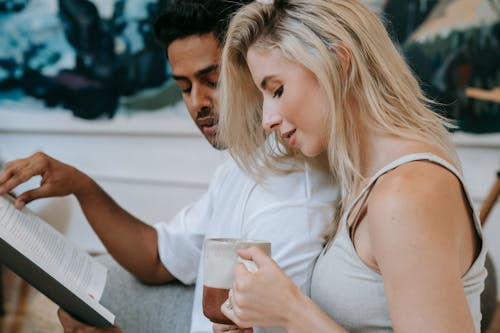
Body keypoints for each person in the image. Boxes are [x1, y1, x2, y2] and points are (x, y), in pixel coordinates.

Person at [0, 1, 339, 333]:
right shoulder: (240, 169)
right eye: (184, 87)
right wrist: (79, 184)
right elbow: (157, 259)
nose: (196, 103)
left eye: (212, 80)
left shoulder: (293, 202)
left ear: (251, 70)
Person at [213, 0, 487, 332]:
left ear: (340, 63)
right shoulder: (362, 182)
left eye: (277, 90)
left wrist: (290, 311)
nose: (267, 120)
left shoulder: (406, 193)